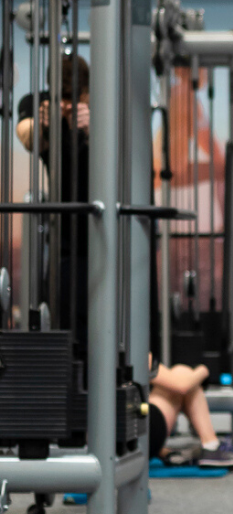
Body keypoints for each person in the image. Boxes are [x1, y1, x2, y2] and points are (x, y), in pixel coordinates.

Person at [16, 54, 89, 340]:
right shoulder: (41, 104)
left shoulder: (101, 108)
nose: (68, 104)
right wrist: (45, 125)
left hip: (102, 232)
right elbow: (26, 135)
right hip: (64, 243)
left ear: (86, 92)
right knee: (61, 320)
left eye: (75, 97)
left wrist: (94, 129)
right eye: (64, 97)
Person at [149, 360, 233, 470]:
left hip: (134, 444)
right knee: (182, 373)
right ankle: (211, 445)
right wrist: (204, 370)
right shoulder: (136, 352)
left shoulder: (129, 352)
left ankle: (164, 451)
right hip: (142, 435)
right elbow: (182, 386)